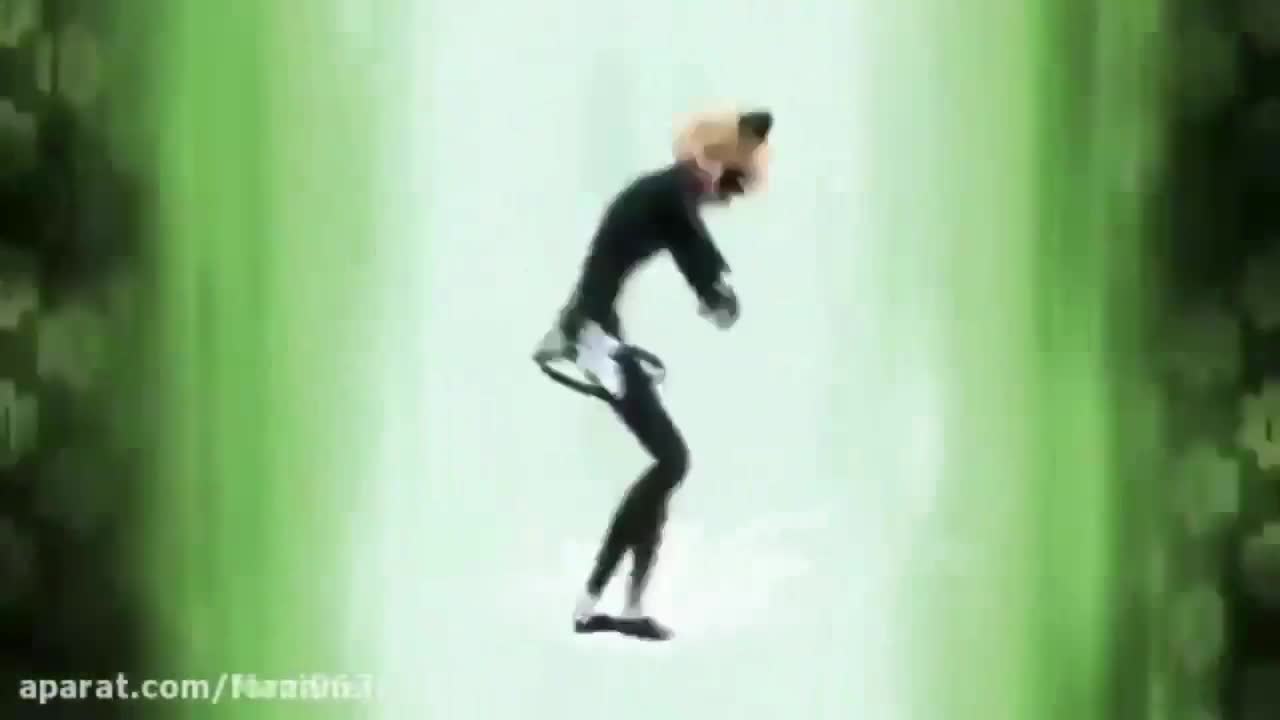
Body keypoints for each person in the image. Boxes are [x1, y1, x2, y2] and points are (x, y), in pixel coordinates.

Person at [532, 109, 773, 640]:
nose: (726, 200)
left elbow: (682, 241)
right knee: (672, 461)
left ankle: (617, 607)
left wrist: (709, 289)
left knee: (668, 466)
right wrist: (716, 293)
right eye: (730, 187)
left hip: (597, 333)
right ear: (714, 164)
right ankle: (608, 606)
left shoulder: (665, 196)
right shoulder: (672, 193)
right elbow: (690, 243)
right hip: (590, 337)